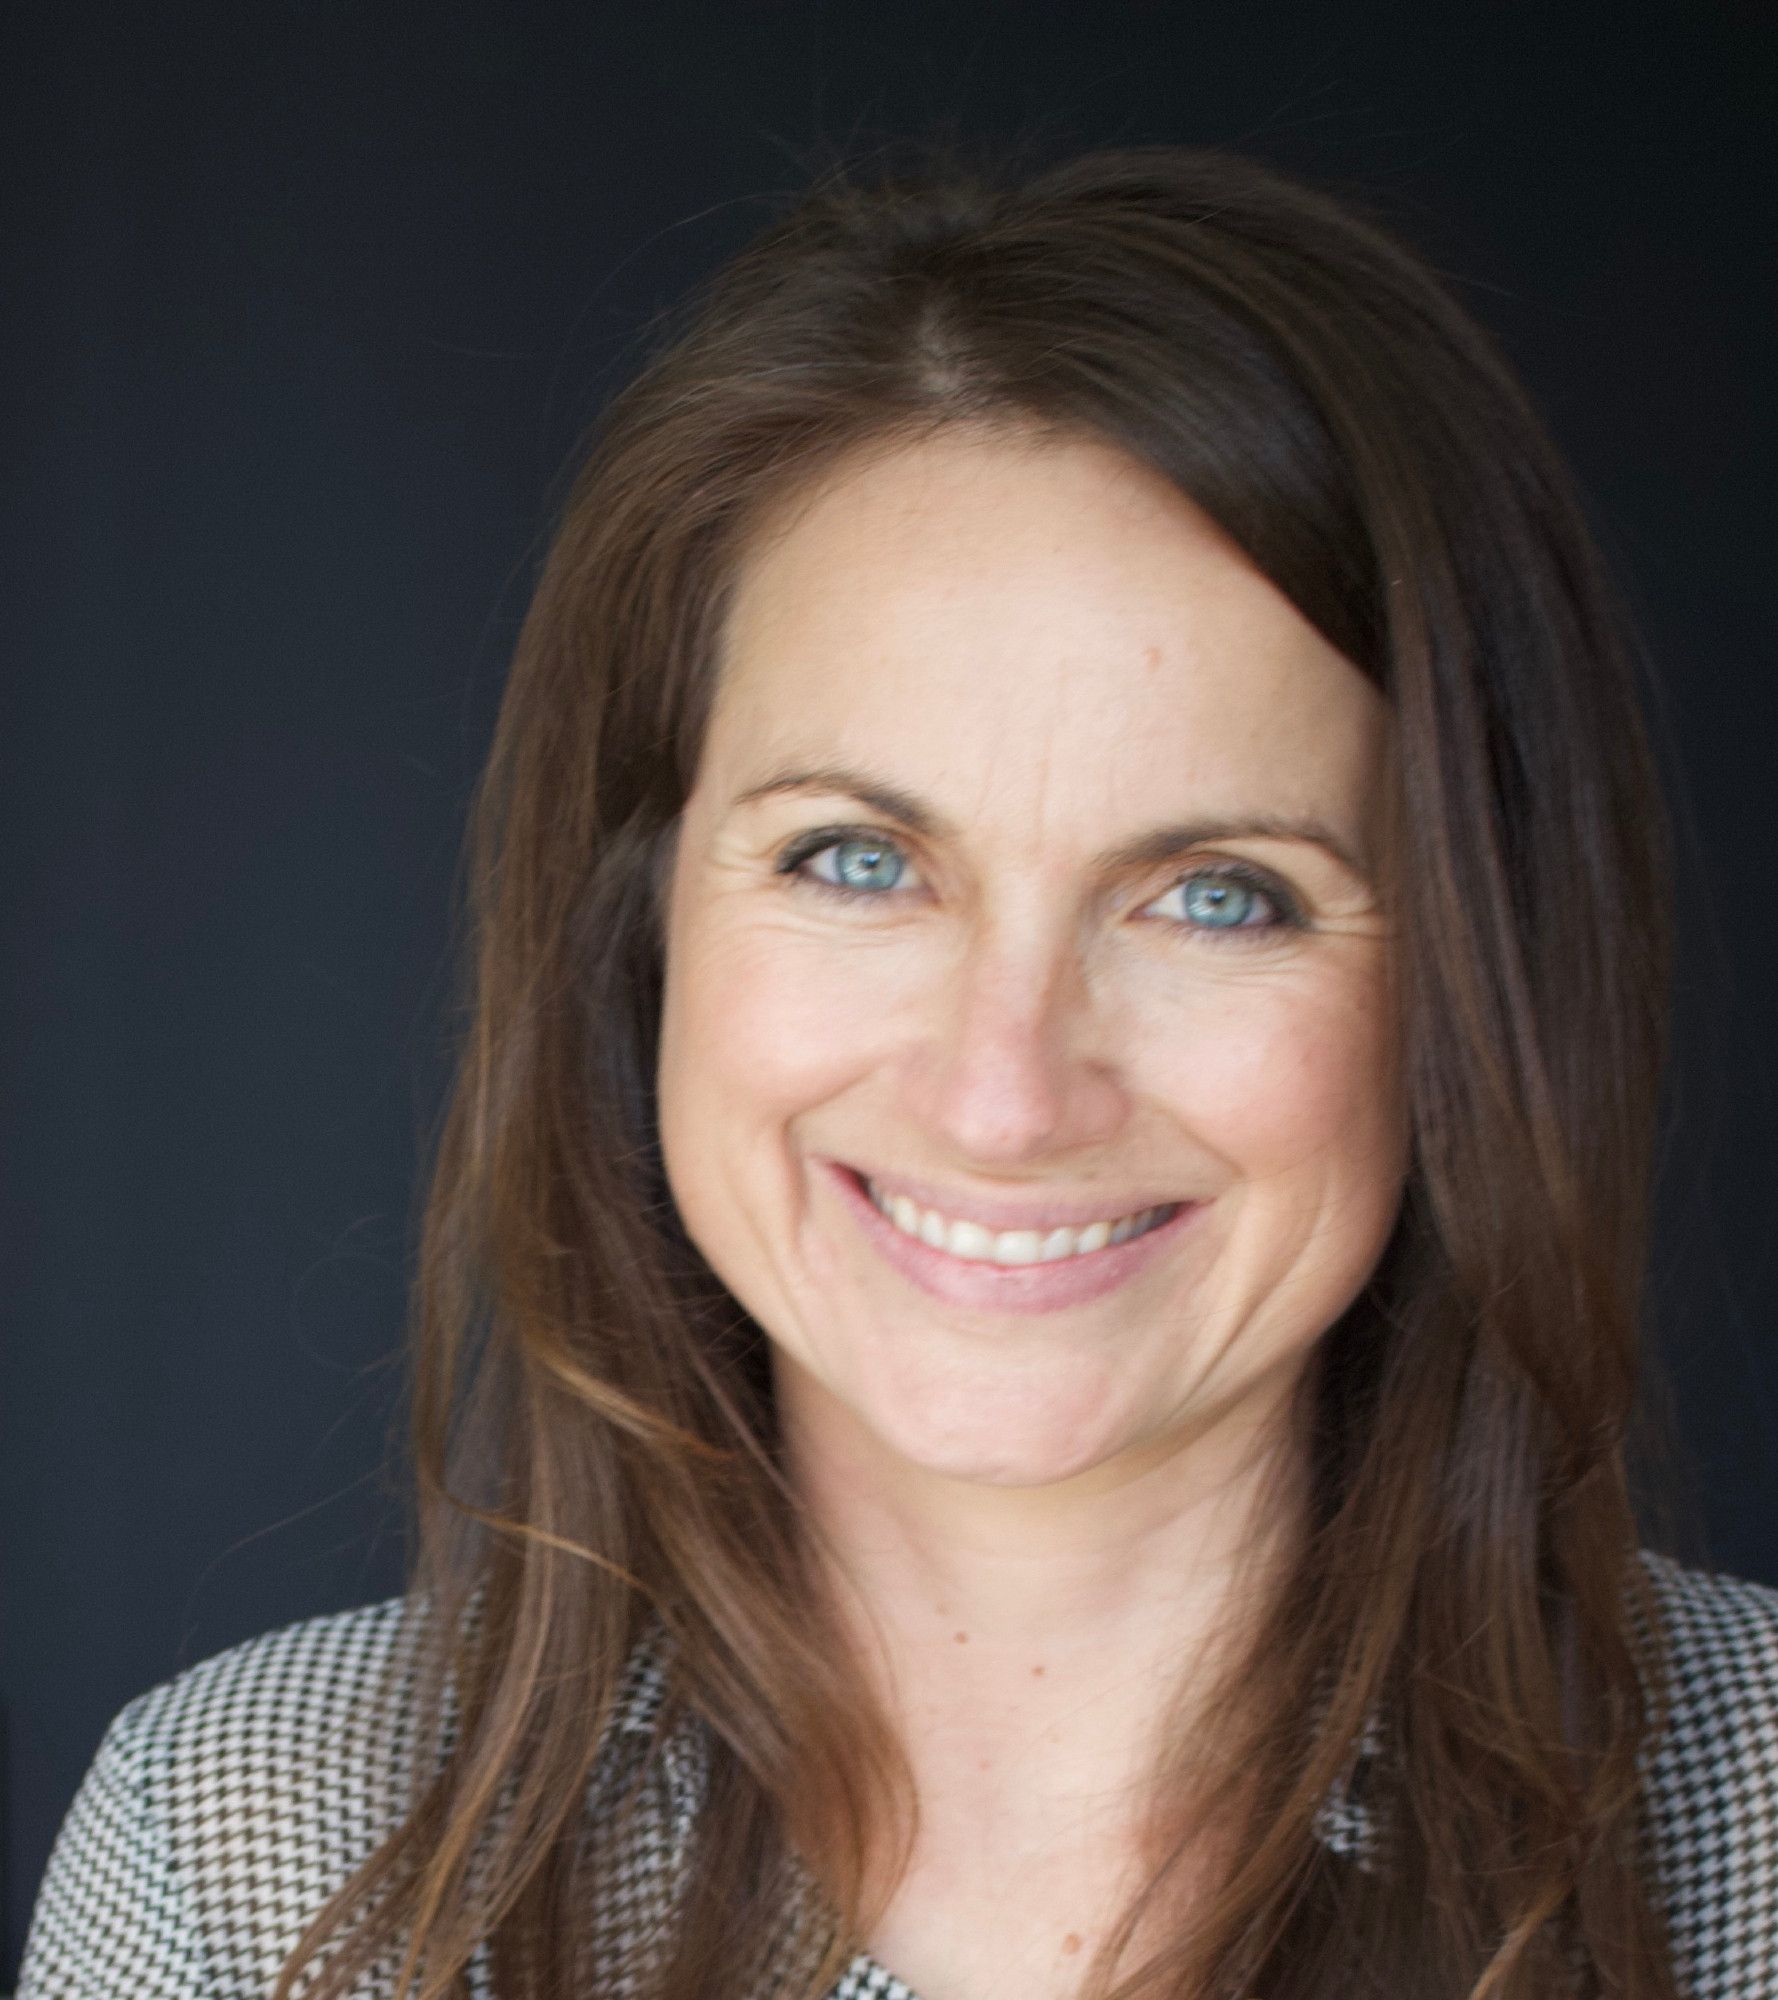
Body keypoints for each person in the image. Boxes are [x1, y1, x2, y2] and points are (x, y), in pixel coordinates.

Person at [18, 139, 1778, 2000]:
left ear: (1474, 976)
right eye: (858, 859)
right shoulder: (252, 1851)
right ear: (643, 926)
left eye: (1216, 894)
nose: (1004, 1091)